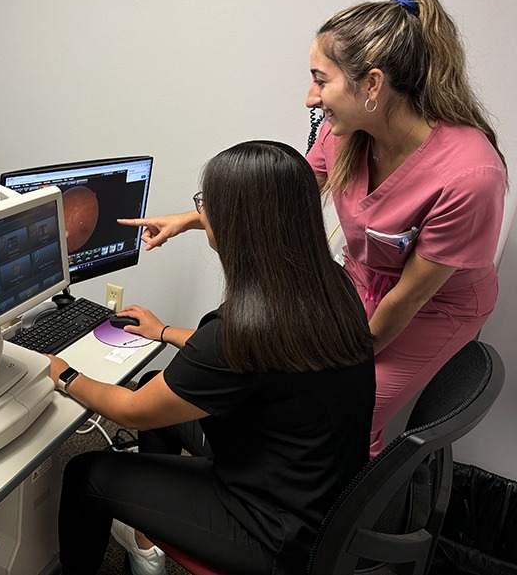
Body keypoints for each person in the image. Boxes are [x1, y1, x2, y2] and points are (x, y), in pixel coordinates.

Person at [120, 0, 507, 456]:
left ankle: (335, 516)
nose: (310, 98)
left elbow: (406, 299)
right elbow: (278, 201)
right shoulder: (343, 134)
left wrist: (329, 369)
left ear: (372, 85)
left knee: (343, 412)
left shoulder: (469, 176)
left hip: (430, 309)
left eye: (321, 81)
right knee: (293, 383)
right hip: (358, 283)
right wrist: (190, 220)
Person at [48, 141, 376, 574]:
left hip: (272, 535)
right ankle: (148, 543)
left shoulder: (242, 329)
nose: (202, 215)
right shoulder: (329, 283)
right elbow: (252, 360)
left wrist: (64, 373)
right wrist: (164, 332)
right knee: (153, 383)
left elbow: (132, 413)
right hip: (319, 495)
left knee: (86, 473)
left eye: (206, 206)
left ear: (235, 223)